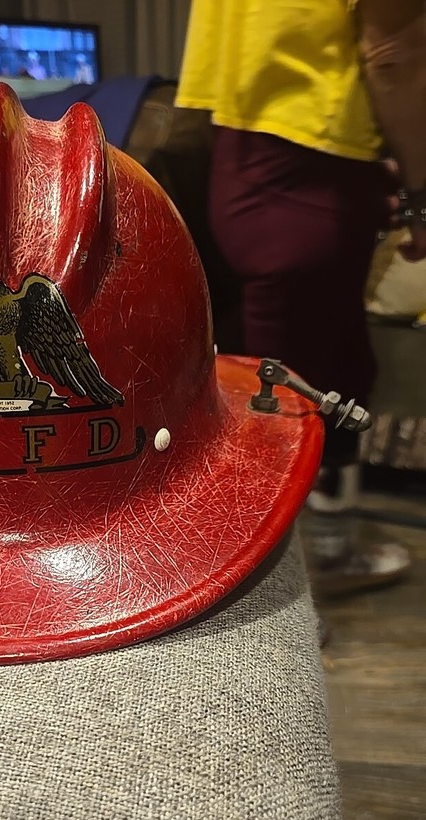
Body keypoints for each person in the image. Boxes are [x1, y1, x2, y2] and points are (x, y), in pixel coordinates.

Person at [176, 0, 426, 595]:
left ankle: (291, 571)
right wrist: (422, 191)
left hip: (243, 154)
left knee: (268, 381)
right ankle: (288, 590)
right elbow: (394, 54)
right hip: (311, 166)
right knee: (307, 392)